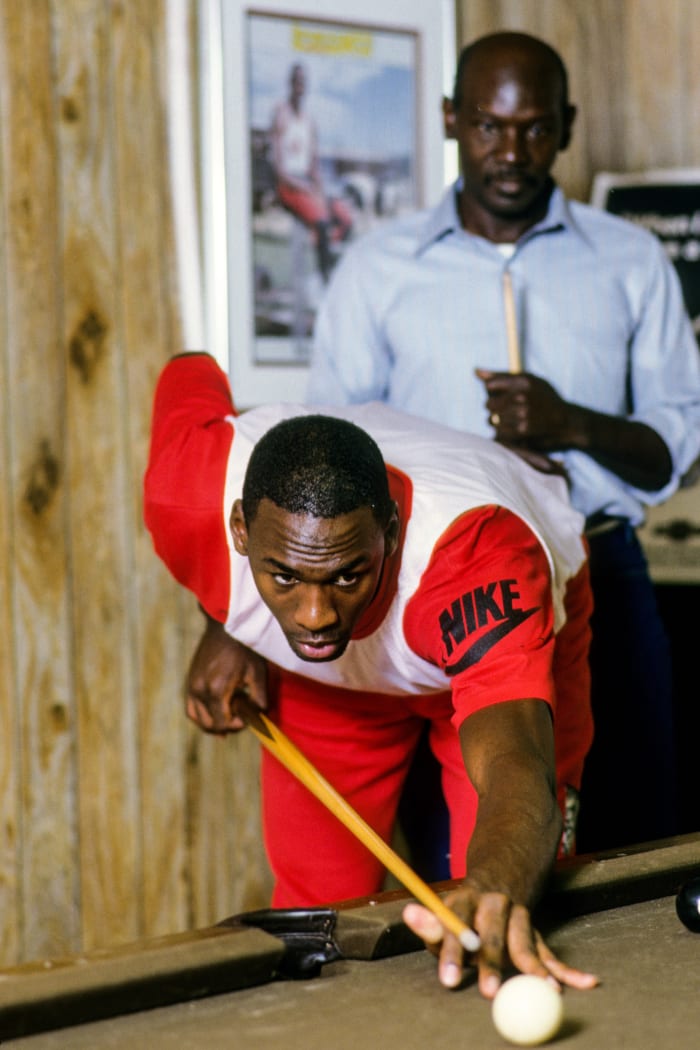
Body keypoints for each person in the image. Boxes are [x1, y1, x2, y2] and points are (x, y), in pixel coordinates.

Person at [307, 31, 700, 853]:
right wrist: (480, 471)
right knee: (458, 836)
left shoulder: (633, 261)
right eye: (489, 125)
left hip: (602, 571)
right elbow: (334, 454)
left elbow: (671, 454)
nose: (512, 151)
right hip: (442, 592)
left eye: (535, 128)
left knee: (636, 825)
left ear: (567, 125)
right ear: (452, 119)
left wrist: (571, 424)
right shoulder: (377, 271)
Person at [144, 351, 599, 998]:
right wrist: (226, 623)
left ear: (389, 530)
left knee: (508, 899)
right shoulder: (186, 492)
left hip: (474, 648)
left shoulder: (477, 558)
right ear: (239, 531)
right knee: (317, 897)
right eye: (283, 577)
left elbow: (516, 767)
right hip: (327, 692)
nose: (315, 615)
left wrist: (495, 886)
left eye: (346, 575)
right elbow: (189, 366)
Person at [270, 62, 353, 282]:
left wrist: (320, 189)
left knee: (344, 217)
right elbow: (278, 167)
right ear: (290, 83)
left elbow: (313, 164)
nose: (300, 86)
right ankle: (325, 276)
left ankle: (328, 259)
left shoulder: (309, 121)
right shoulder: (281, 114)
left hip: (306, 183)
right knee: (322, 219)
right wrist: (304, 187)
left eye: (303, 82)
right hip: (289, 184)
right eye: (296, 81)